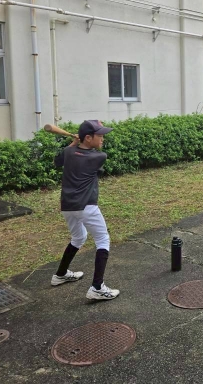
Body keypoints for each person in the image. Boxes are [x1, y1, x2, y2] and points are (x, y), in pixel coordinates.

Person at [51, 120, 119, 300]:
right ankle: (97, 287)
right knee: (103, 239)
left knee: (78, 237)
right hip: (86, 206)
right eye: (100, 136)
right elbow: (91, 161)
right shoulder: (99, 156)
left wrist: (74, 144)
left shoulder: (69, 152)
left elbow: (57, 161)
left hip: (67, 206)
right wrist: (78, 143)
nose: (103, 139)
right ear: (88, 138)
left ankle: (60, 274)